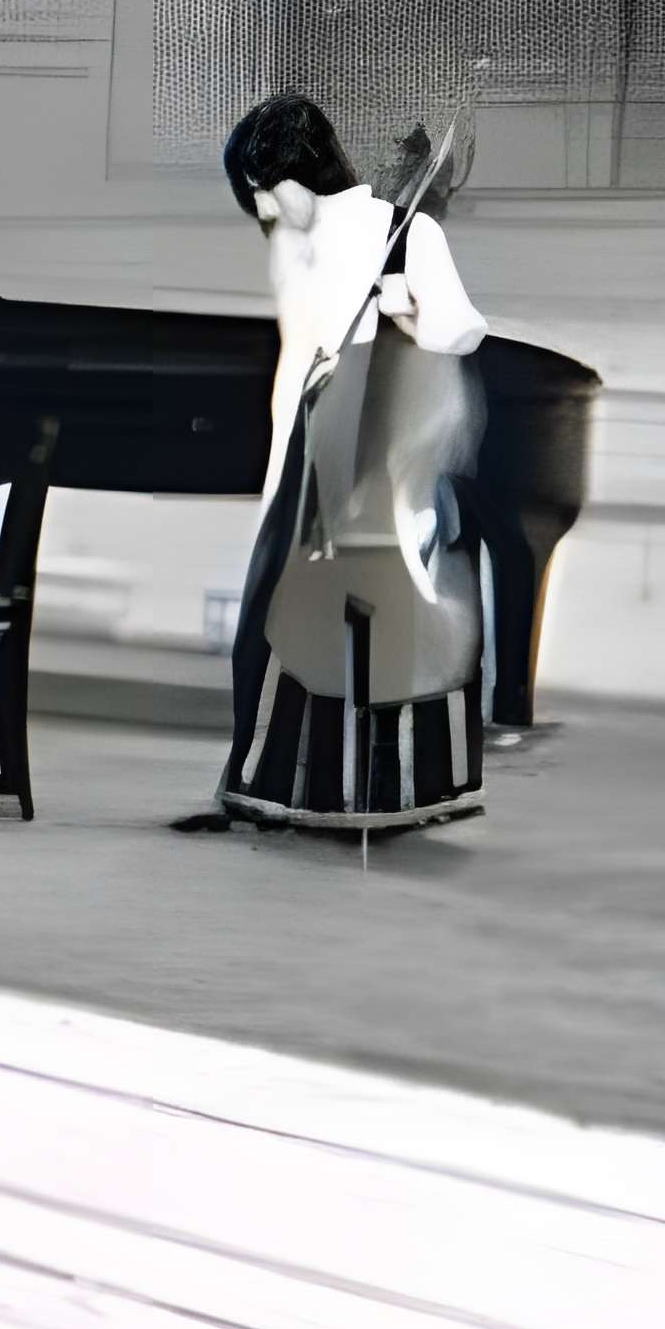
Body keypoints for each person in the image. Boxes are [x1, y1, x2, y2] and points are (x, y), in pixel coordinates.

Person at [214, 92, 492, 834]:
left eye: (267, 191)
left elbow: (464, 329)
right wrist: (280, 471)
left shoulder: (411, 233)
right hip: (322, 442)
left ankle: (390, 793)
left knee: (374, 617)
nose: (267, 211)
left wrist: (410, 308)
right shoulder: (303, 248)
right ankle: (292, 785)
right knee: (285, 613)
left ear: (295, 170)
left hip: (385, 445)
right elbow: (295, 368)